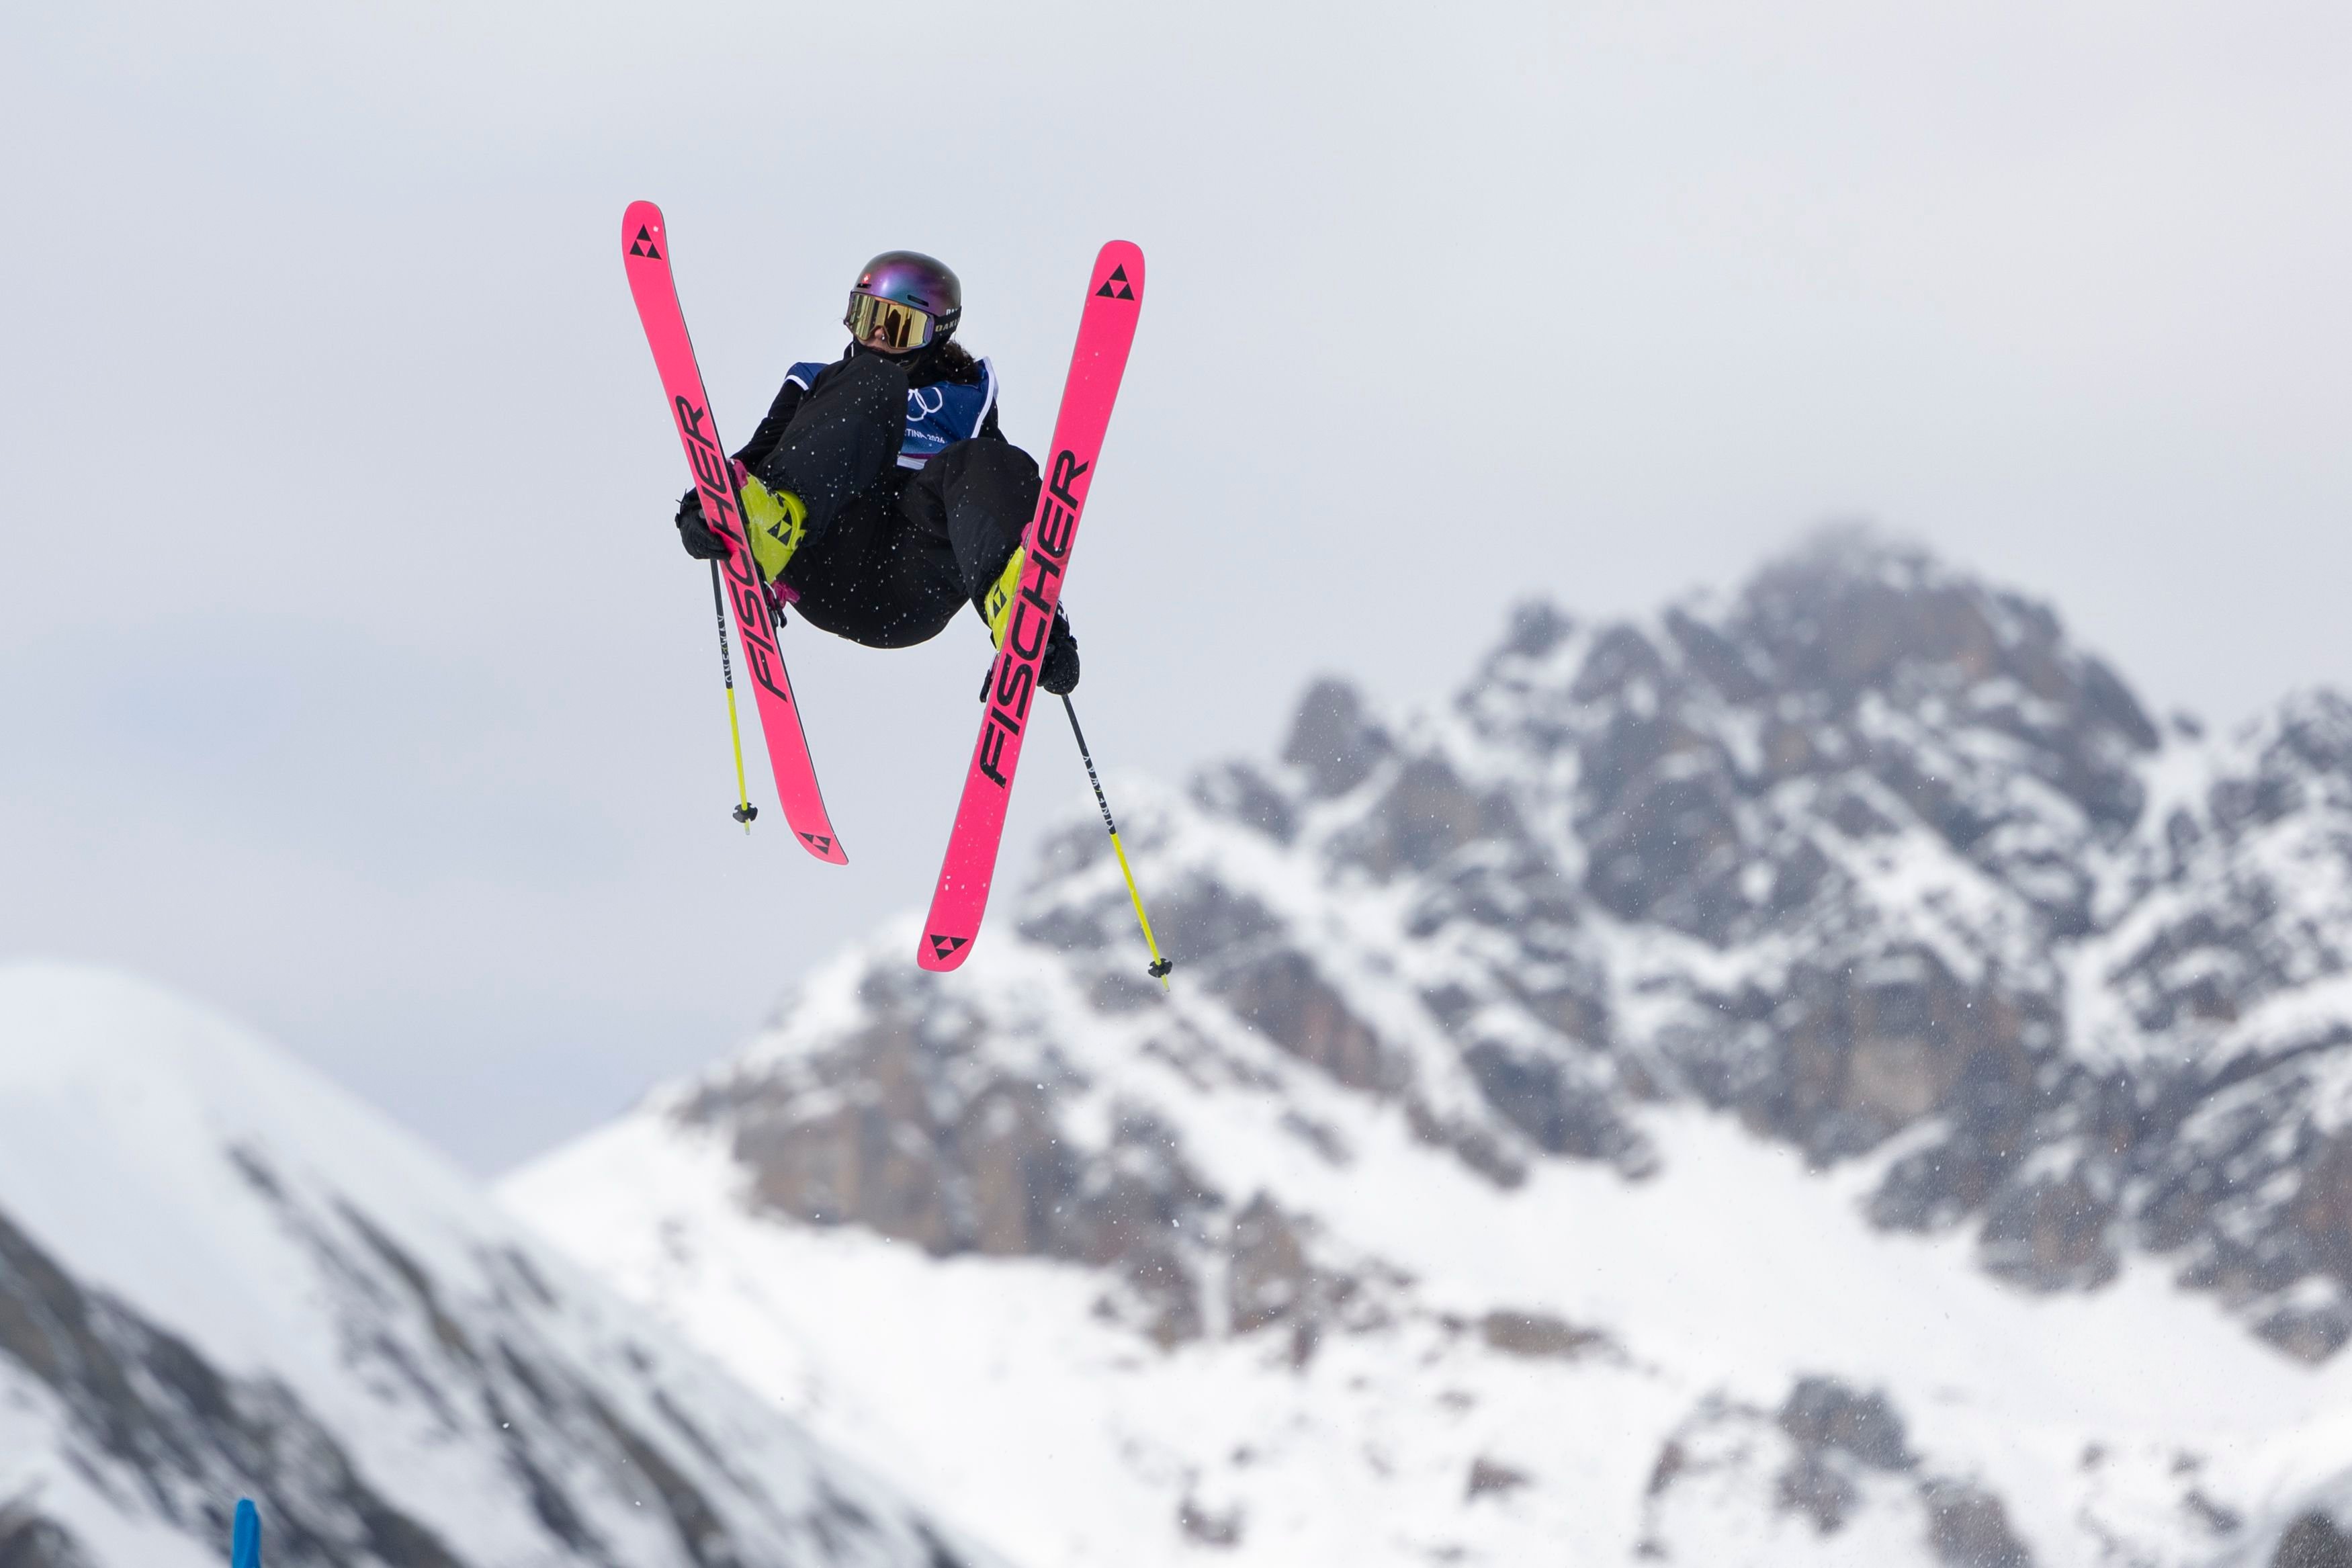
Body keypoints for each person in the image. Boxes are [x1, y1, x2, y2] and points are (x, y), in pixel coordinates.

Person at [671, 251, 1080, 693]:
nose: (879, 337)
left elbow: (994, 502)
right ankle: (776, 522)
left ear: (936, 335)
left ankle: (1018, 607)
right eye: (867, 319)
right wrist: (703, 510)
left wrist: (1048, 623)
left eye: (900, 327)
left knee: (992, 459)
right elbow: (752, 459)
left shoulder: (968, 404)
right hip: (820, 554)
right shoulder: (822, 384)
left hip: (909, 585)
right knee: (874, 378)